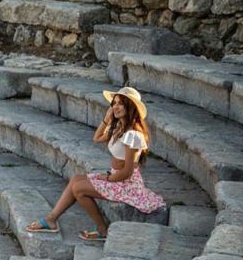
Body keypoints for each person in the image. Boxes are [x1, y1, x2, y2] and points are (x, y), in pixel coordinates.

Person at [25, 87, 165, 241]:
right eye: (114, 103)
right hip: (115, 177)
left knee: (79, 189)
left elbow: (128, 172)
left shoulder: (133, 134)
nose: (115, 107)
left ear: (130, 108)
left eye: (121, 104)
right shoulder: (119, 128)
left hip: (126, 184)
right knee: (76, 179)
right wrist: (107, 119)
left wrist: (107, 178)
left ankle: (102, 230)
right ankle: (51, 219)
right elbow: (97, 138)